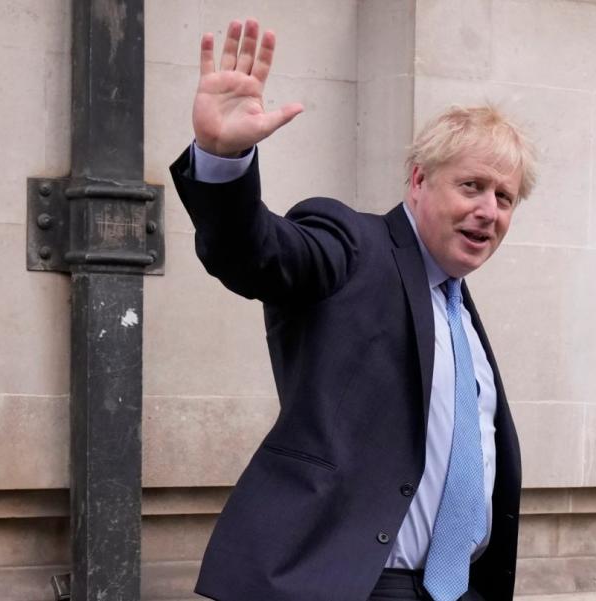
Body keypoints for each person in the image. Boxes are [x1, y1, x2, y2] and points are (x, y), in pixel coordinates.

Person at [169, 18, 537, 601]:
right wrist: (224, 158)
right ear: (418, 181)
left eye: (505, 197)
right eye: (471, 186)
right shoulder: (352, 245)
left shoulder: (460, 314)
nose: (488, 211)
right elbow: (256, 253)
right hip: (352, 585)